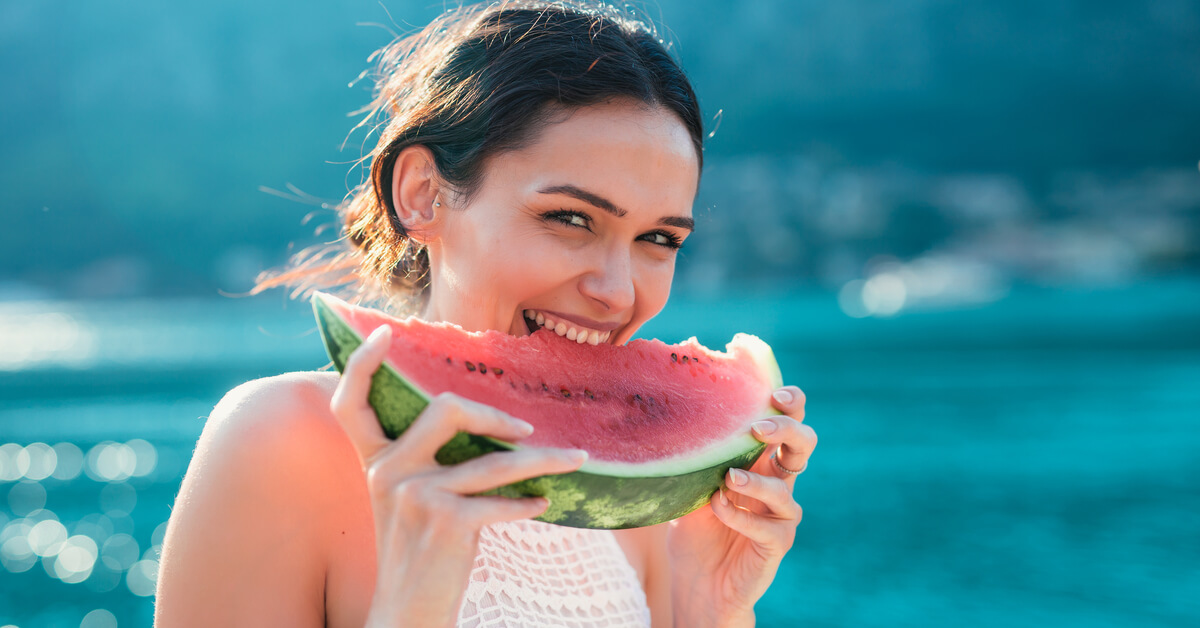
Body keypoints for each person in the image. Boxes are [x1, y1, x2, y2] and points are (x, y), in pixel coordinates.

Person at [155, 2, 817, 626]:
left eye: (659, 239)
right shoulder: (280, 442)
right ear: (423, 195)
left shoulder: (633, 511)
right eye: (569, 219)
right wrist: (413, 604)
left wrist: (709, 605)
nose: (619, 292)